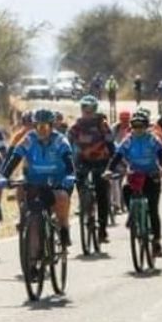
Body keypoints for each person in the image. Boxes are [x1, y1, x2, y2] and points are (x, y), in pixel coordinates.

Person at [0, 108, 75, 252]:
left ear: (51, 126)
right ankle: (33, 259)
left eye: (45, 126)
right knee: (31, 216)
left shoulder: (60, 140)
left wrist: (70, 175)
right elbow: (15, 157)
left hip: (56, 181)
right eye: (38, 126)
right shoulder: (29, 139)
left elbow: (68, 159)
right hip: (34, 181)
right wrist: (4, 176)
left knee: (62, 197)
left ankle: (64, 227)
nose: (42, 130)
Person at [104, 112, 162, 256]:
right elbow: (117, 156)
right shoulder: (128, 141)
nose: (138, 129)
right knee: (126, 189)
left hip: (152, 175)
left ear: (146, 127)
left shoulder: (153, 140)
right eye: (135, 126)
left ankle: (156, 242)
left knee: (153, 209)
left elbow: (161, 155)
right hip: (134, 175)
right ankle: (132, 214)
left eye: (141, 126)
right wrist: (109, 170)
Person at [67, 95, 115, 243]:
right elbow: (67, 142)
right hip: (82, 161)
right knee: (79, 182)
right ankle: (83, 204)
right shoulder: (77, 126)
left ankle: (102, 229)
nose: (87, 113)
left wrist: (113, 162)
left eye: (91, 110)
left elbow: (110, 142)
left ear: (95, 110)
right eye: (84, 110)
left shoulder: (102, 124)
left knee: (102, 193)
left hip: (101, 160)